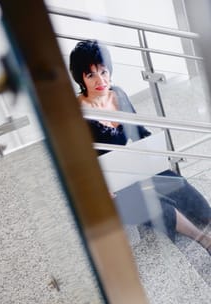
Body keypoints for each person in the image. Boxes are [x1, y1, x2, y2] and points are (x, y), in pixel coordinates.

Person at [69, 39, 211, 255]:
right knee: (156, 205)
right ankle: (203, 240)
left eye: (103, 71)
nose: (101, 80)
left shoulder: (119, 95)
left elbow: (140, 133)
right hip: (113, 188)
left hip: (136, 168)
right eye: (91, 75)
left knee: (181, 186)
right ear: (81, 78)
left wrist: (153, 153)